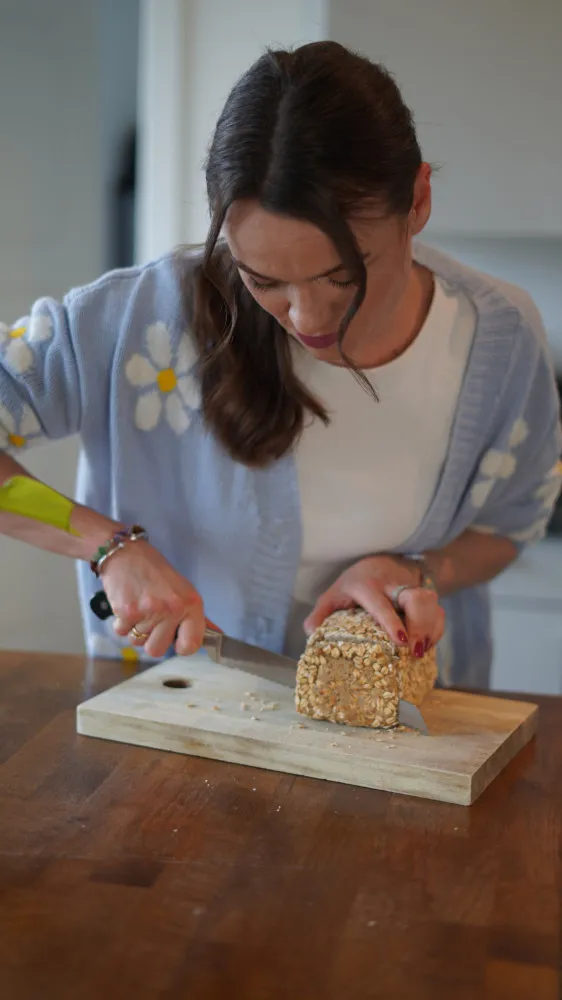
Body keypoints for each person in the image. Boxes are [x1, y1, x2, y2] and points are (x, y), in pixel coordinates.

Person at [0, 41, 560, 688]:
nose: (309, 320)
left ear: (418, 200)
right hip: (178, 732)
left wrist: (415, 571)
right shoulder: (137, 321)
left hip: (412, 739)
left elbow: (512, 524)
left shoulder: (501, 338)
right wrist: (103, 543)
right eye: (263, 280)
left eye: (343, 276)